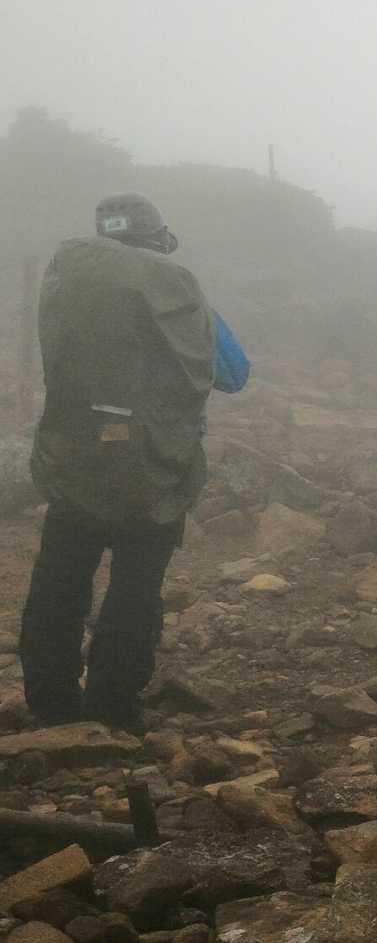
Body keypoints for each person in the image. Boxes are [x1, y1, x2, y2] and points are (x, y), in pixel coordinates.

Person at [22, 193, 247, 731]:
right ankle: (114, 708)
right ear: (157, 238)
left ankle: (51, 704)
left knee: (59, 578)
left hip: (73, 459)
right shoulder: (178, 292)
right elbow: (233, 374)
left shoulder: (65, 280)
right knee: (135, 586)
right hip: (153, 468)